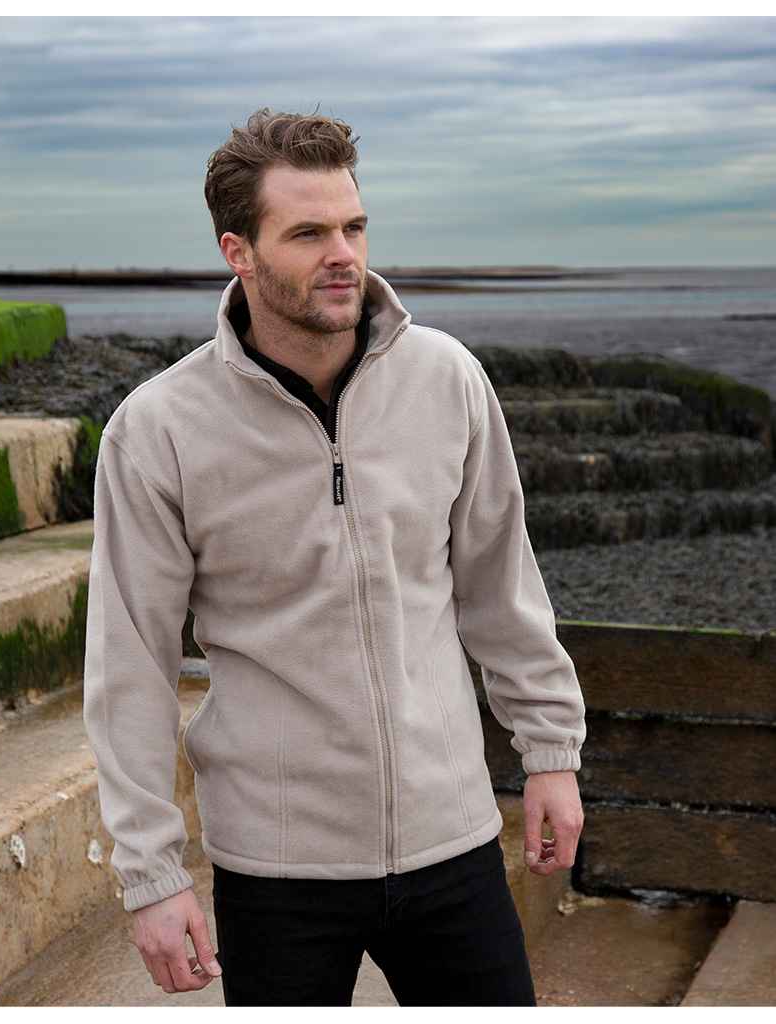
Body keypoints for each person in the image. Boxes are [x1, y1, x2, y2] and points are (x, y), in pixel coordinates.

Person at [83, 107, 586, 1007]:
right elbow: (130, 666)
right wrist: (150, 874)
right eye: (308, 233)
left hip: (451, 841)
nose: (344, 254)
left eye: (353, 226)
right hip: (277, 867)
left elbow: (501, 587)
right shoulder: (157, 431)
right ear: (239, 252)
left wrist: (549, 749)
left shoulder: (446, 379)